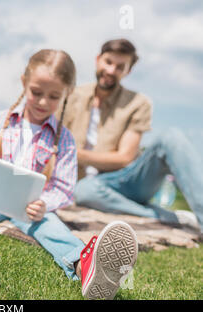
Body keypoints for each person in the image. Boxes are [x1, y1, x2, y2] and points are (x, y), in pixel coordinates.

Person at [0, 50, 139, 300]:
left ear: (67, 94)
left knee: (53, 229)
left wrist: (45, 204)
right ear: (24, 83)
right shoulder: (0, 120)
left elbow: (64, 188)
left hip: (32, 208)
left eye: (53, 96)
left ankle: (85, 267)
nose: (43, 102)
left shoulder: (64, 139)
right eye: (37, 92)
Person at [57, 39, 202, 232]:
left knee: (172, 136)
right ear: (98, 60)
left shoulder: (138, 103)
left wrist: (75, 153)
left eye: (120, 67)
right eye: (108, 62)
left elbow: (124, 158)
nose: (111, 70)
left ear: (128, 71)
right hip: (87, 189)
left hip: (125, 181)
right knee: (85, 190)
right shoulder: (70, 96)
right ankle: (169, 218)